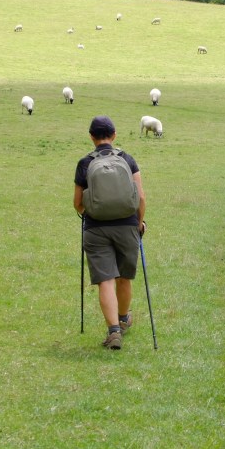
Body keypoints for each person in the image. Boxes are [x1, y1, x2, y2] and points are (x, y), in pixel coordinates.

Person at [74, 116, 146, 350]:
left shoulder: (85, 163)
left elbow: (77, 203)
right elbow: (140, 197)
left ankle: (113, 330)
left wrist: (92, 214)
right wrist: (139, 223)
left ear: (91, 137)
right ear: (114, 135)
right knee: (124, 277)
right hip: (127, 226)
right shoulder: (127, 159)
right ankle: (123, 319)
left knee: (105, 280)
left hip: (96, 228)